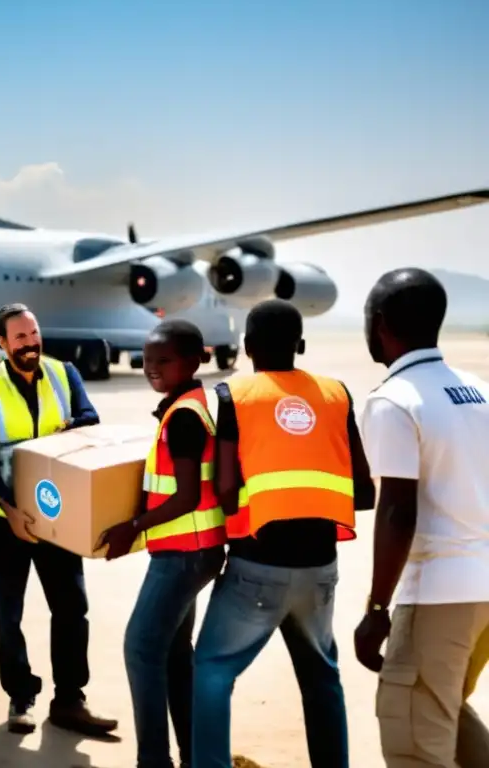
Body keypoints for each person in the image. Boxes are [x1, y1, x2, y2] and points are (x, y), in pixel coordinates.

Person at [191, 299, 376, 768]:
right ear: (302, 345)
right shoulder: (337, 393)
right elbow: (363, 491)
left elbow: (227, 489)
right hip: (321, 568)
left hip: (258, 564)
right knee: (321, 677)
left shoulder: (236, 395)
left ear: (248, 347)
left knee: (212, 669)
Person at [353, 267, 489, 768]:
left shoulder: (395, 399)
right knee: (446, 714)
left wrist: (376, 609)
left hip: (439, 592)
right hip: (483, 590)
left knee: (413, 740)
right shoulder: (477, 389)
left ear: (381, 324)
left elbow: (396, 511)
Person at [0, 303, 118, 737]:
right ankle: (20, 696)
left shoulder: (63, 373)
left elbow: (91, 418)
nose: (30, 343)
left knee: (71, 605)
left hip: (56, 510)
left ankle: (70, 698)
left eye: (33, 334)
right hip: (4, 516)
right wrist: (10, 511)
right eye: (19, 337)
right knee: (10, 610)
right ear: (2, 344)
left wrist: (68, 428)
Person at [97, 320, 227, 768]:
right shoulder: (189, 403)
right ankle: (194, 755)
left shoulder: (185, 416)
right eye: (148, 360)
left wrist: (133, 524)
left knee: (141, 648)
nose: (153, 369)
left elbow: (187, 495)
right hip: (196, 549)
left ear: (194, 361)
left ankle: (154, 760)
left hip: (183, 554)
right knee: (173, 651)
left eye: (164, 361)